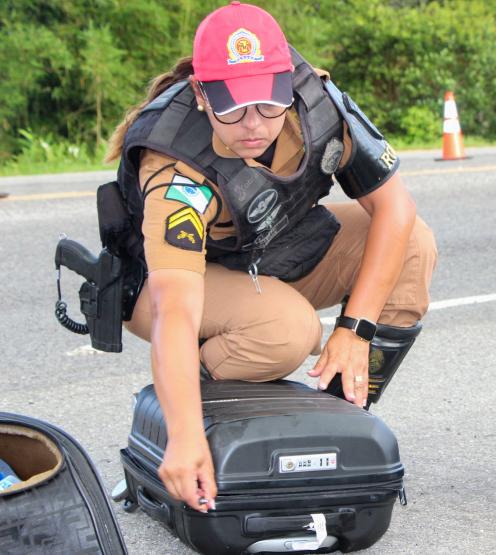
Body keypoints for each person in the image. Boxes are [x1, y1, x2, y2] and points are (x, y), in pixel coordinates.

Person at [104, 1, 436, 514]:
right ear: (200, 93)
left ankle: (340, 422)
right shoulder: (178, 168)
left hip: (266, 251)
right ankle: (204, 424)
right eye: (231, 107)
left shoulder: (314, 102)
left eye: (267, 103)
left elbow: (395, 206)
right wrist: (183, 436)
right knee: (288, 332)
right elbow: (176, 307)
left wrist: (356, 330)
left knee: (413, 244)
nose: (253, 125)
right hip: (169, 287)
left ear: (287, 84)